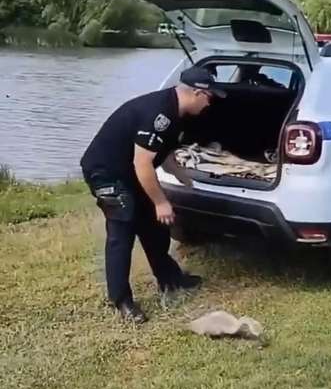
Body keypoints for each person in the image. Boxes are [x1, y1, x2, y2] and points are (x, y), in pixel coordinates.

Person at [80, 66, 227, 323]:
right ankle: (122, 301)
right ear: (196, 93)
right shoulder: (159, 114)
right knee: (122, 230)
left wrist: (181, 175)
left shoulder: (178, 112)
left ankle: (170, 279)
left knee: (154, 227)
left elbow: (164, 152)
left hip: (130, 170)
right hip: (107, 171)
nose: (210, 102)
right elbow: (143, 163)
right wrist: (160, 202)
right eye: (209, 96)